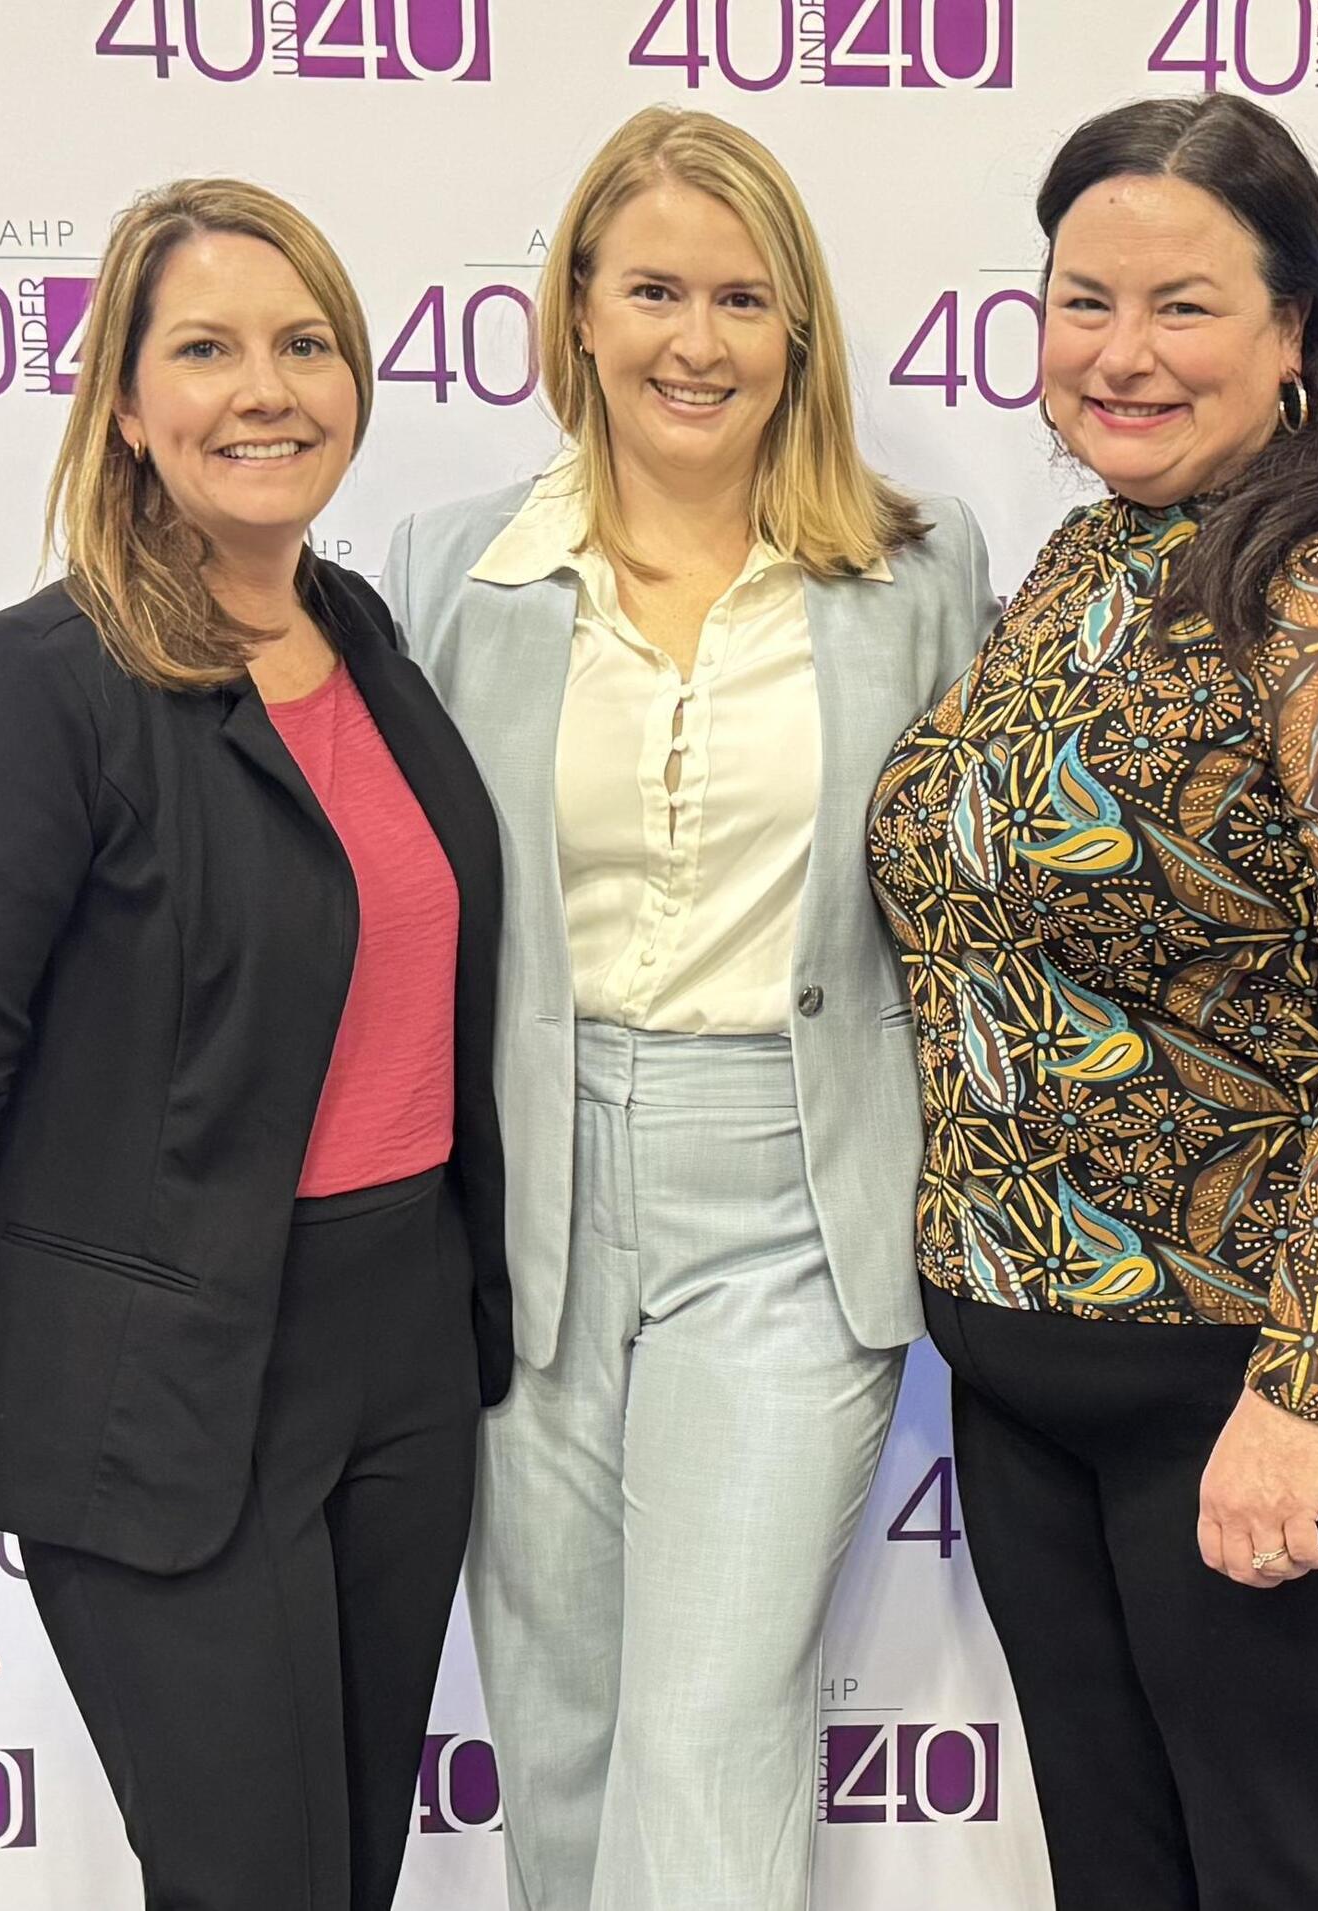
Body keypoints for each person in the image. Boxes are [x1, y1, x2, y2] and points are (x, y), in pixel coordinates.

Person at [867, 94, 1318, 1911]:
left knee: (1278, 1858)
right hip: (1027, 1349)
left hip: (1263, 1353)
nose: (1121, 356)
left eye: (1184, 307)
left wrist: (1298, 1394)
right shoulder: (1087, 557)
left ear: (1295, 330)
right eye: (1084, 302)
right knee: (1117, 1858)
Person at [0, 177, 508, 1911]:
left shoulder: (357, 635)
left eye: (304, 344)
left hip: (399, 1361)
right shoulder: (35, 690)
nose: (264, 389)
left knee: (345, 1874)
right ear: (127, 411)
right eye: (204, 350)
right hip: (155, 1395)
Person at [380, 106, 997, 1911]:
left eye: (744, 298)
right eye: (653, 289)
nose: (696, 341)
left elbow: (986, 889)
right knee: (558, 1728)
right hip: (524, 1203)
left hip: (792, 1205)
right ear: (576, 307)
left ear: (798, 329)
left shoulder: (915, 563)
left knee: (712, 1726)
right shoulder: (450, 569)